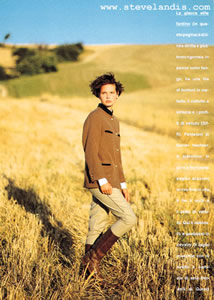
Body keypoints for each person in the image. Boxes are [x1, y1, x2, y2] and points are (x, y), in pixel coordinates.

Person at [82, 73, 137, 282]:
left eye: (111, 93)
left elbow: (116, 156)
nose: (108, 96)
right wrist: (102, 180)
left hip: (113, 179)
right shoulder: (95, 118)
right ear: (98, 94)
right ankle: (93, 258)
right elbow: (90, 151)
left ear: (117, 95)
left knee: (97, 223)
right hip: (100, 180)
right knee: (129, 218)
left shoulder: (114, 120)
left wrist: (122, 183)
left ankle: (86, 273)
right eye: (104, 93)